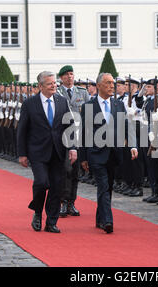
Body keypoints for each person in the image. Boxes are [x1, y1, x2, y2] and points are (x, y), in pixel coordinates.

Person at [17, 71, 77, 233]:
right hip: (37, 152)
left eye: (55, 83)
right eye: (50, 83)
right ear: (41, 86)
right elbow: (22, 130)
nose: (54, 86)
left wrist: (72, 147)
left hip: (58, 151)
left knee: (57, 187)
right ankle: (37, 211)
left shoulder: (62, 102)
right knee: (42, 183)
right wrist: (22, 153)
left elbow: (69, 127)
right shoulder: (30, 103)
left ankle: (51, 222)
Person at [79, 72, 138, 234]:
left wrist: (132, 145)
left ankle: (100, 218)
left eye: (113, 83)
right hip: (96, 153)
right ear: (98, 86)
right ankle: (107, 221)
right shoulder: (89, 106)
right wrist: (83, 157)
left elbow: (126, 126)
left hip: (114, 153)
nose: (112, 86)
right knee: (103, 185)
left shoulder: (118, 105)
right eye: (108, 83)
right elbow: (84, 133)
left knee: (108, 187)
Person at [56, 65, 90, 217]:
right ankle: (62, 202)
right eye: (66, 75)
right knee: (65, 170)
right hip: (64, 136)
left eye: (71, 74)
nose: (69, 77)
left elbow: (89, 113)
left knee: (76, 172)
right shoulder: (57, 92)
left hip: (79, 135)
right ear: (61, 78)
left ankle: (71, 203)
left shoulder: (82, 92)